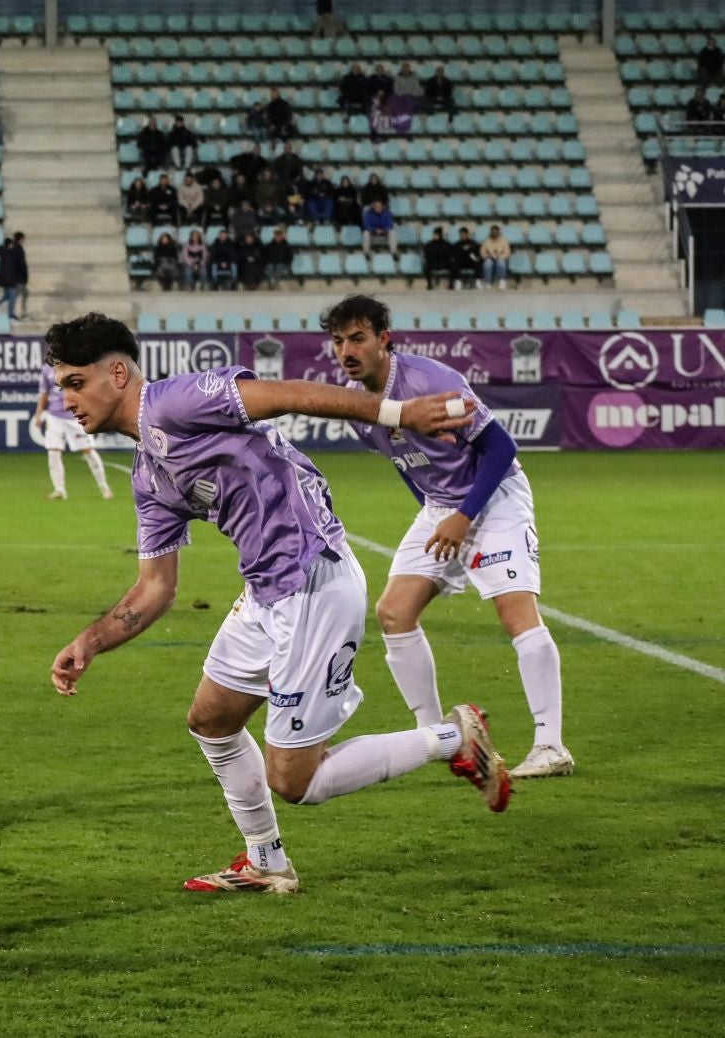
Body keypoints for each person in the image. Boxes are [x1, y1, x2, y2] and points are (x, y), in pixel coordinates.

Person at [41, 314, 512, 896]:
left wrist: (397, 413)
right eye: (60, 385)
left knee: (297, 781)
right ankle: (266, 862)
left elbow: (291, 395)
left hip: (314, 581)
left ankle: (453, 737)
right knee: (211, 723)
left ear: (117, 373)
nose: (65, 400)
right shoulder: (148, 474)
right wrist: (89, 641)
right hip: (266, 590)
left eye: (73, 383)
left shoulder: (174, 401)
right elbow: (156, 586)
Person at [323, 295, 571, 779]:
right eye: (337, 341)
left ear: (383, 340)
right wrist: (438, 516)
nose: (346, 351)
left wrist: (465, 516)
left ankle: (550, 745)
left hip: (493, 496)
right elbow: (405, 465)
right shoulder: (358, 407)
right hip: (441, 508)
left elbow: (500, 447)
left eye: (357, 338)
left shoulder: (431, 382)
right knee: (394, 612)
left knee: (515, 611)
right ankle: (438, 738)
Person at [33, 353, 111, 502]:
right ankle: (59, 490)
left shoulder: (76, 366)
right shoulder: (46, 370)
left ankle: (103, 486)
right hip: (54, 416)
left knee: (88, 451)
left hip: (74, 415)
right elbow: (44, 393)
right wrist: (38, 415)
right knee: (53, 452)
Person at [0, 232, 27, 321]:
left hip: (3, 279)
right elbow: (20, 264)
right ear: (9, 245)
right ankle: (10, 314)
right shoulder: (11, 253)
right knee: (12, 297)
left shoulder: (3, 252)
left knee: (6, 296)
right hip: (11, 279)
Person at [479, 225, 511, 290]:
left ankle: (502, 281)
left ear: (498, 232)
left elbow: (507, 253)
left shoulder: (504, 241)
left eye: (495, 232)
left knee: (501, 262)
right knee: (487, 263)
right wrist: (487, 256)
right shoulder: (486, 241)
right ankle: (488, 282)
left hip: (500, 258)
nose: (494, 233)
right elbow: (482, 252)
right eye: (492, 232)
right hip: (490, 258)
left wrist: (500, 257)